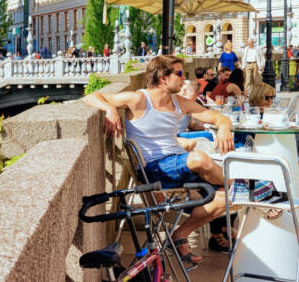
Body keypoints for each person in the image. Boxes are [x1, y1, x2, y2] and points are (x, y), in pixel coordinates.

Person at [82, 55, 235, 264]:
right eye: (179, 74)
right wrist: (110, 109)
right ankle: (237, 184)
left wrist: (224, 127)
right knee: (201, 159)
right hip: (153, 169)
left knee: (227, 198)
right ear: (163, 77)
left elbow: (218, 117)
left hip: (177, 164)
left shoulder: (179, 103)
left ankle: (180, 235)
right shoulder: (139, 99)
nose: (183, 79)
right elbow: (90, 96)